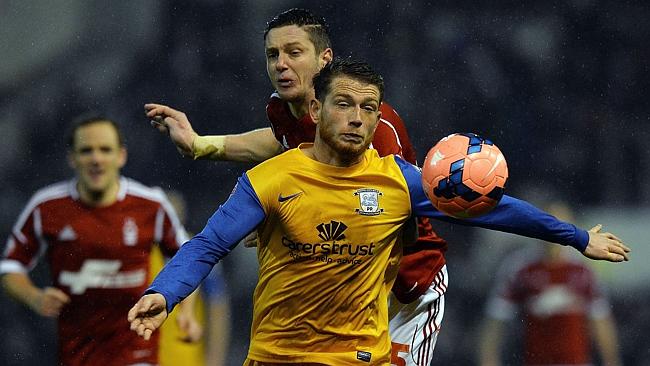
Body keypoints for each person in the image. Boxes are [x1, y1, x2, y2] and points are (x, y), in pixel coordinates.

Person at [129, 59, 629, 365]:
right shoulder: (270, 179)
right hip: (278, 356)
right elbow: (208, 245)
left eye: (369, 107)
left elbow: (493, 209)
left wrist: (577, 238)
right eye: (344, 104)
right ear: (317, 111)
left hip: (360, 358)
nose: (357, 117)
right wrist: (164, 293)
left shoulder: (398, 181)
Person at [146, 8, 449, 365]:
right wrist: (201, 145)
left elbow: (391, 214)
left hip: (407, 285)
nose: (280, 64)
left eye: (294, 52)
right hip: (344, 299)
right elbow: (280, 142)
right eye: (273, 55)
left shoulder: (370, 127)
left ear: (325, 59)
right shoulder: (288, 111)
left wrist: (289, 220)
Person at [0, 115, 201, 366]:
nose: (96, 159)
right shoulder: (47, 207)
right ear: (72, 158)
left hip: (137, 348)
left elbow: (187, 258)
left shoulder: (151, 205)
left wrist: (188, 313)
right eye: (86, 151)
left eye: (105, 150)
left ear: (121, 156)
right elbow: (10, 267)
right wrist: (34, 297)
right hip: (76, 352)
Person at [477, 202, 623, 366]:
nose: (556, 231)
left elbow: (600, 320)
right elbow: (497, 319)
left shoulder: (584, 270)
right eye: (551, 223)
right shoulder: (520, 268)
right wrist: (488, 359)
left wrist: (611, 361)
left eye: (562, 224)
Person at [152, 190, 230, 366]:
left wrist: (215, 359)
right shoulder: (141, 252)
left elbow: (218, 307)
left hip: (187, 358)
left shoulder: (202, 252)